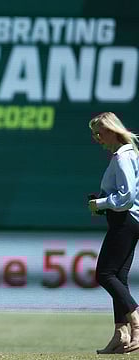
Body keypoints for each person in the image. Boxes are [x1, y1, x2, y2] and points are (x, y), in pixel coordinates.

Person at [88, 112, 139, 354]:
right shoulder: (126, 154)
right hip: (127, 220)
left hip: (126, 220)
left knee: (105, 273)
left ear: (112, 130)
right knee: (119, 276)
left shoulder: (122, 157)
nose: (97, 138)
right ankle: (122, 333)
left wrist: (100, 204)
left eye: (100, 132)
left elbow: (126, 196)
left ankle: (136, 320)